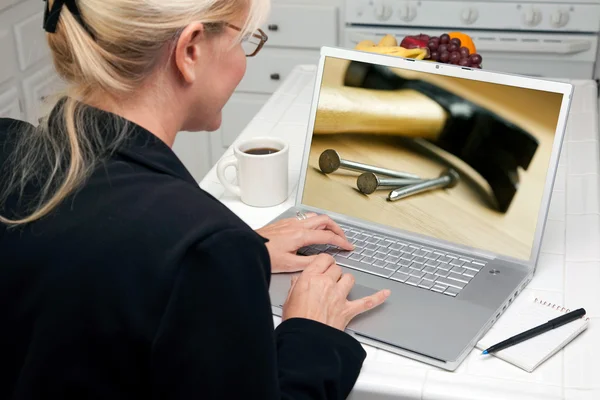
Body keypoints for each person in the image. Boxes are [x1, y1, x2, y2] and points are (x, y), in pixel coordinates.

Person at [0, 0, 390, 398]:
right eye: (244, 42)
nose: (243, 61)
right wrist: (313, 333)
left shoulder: (7, 145)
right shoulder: (203, 247)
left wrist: (229, 258)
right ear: (191, 51)